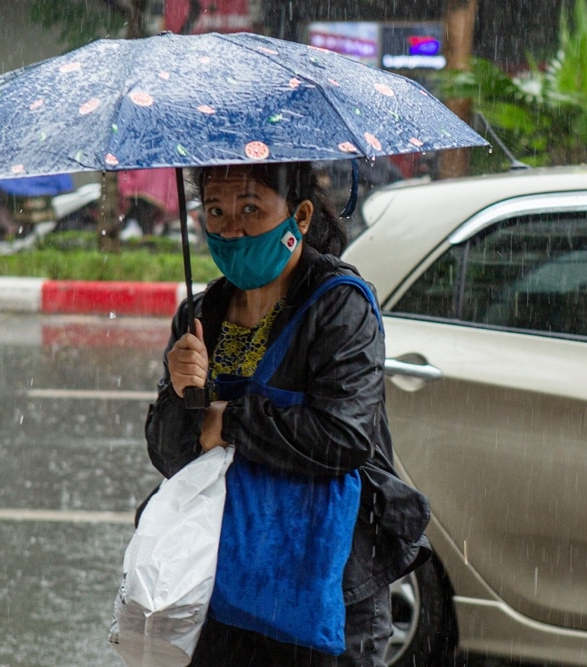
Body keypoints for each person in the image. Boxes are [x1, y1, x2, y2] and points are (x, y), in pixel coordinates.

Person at [144, 161, 430, 666]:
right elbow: (170, 456)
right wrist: (181, 394)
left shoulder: (339, 307)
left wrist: (224, 421)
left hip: (328, 586)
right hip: (222, 586)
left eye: (251, 208)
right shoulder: (200, 317)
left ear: (298, 215)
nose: (230, 227)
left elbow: (342, 438)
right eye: (216, 210)